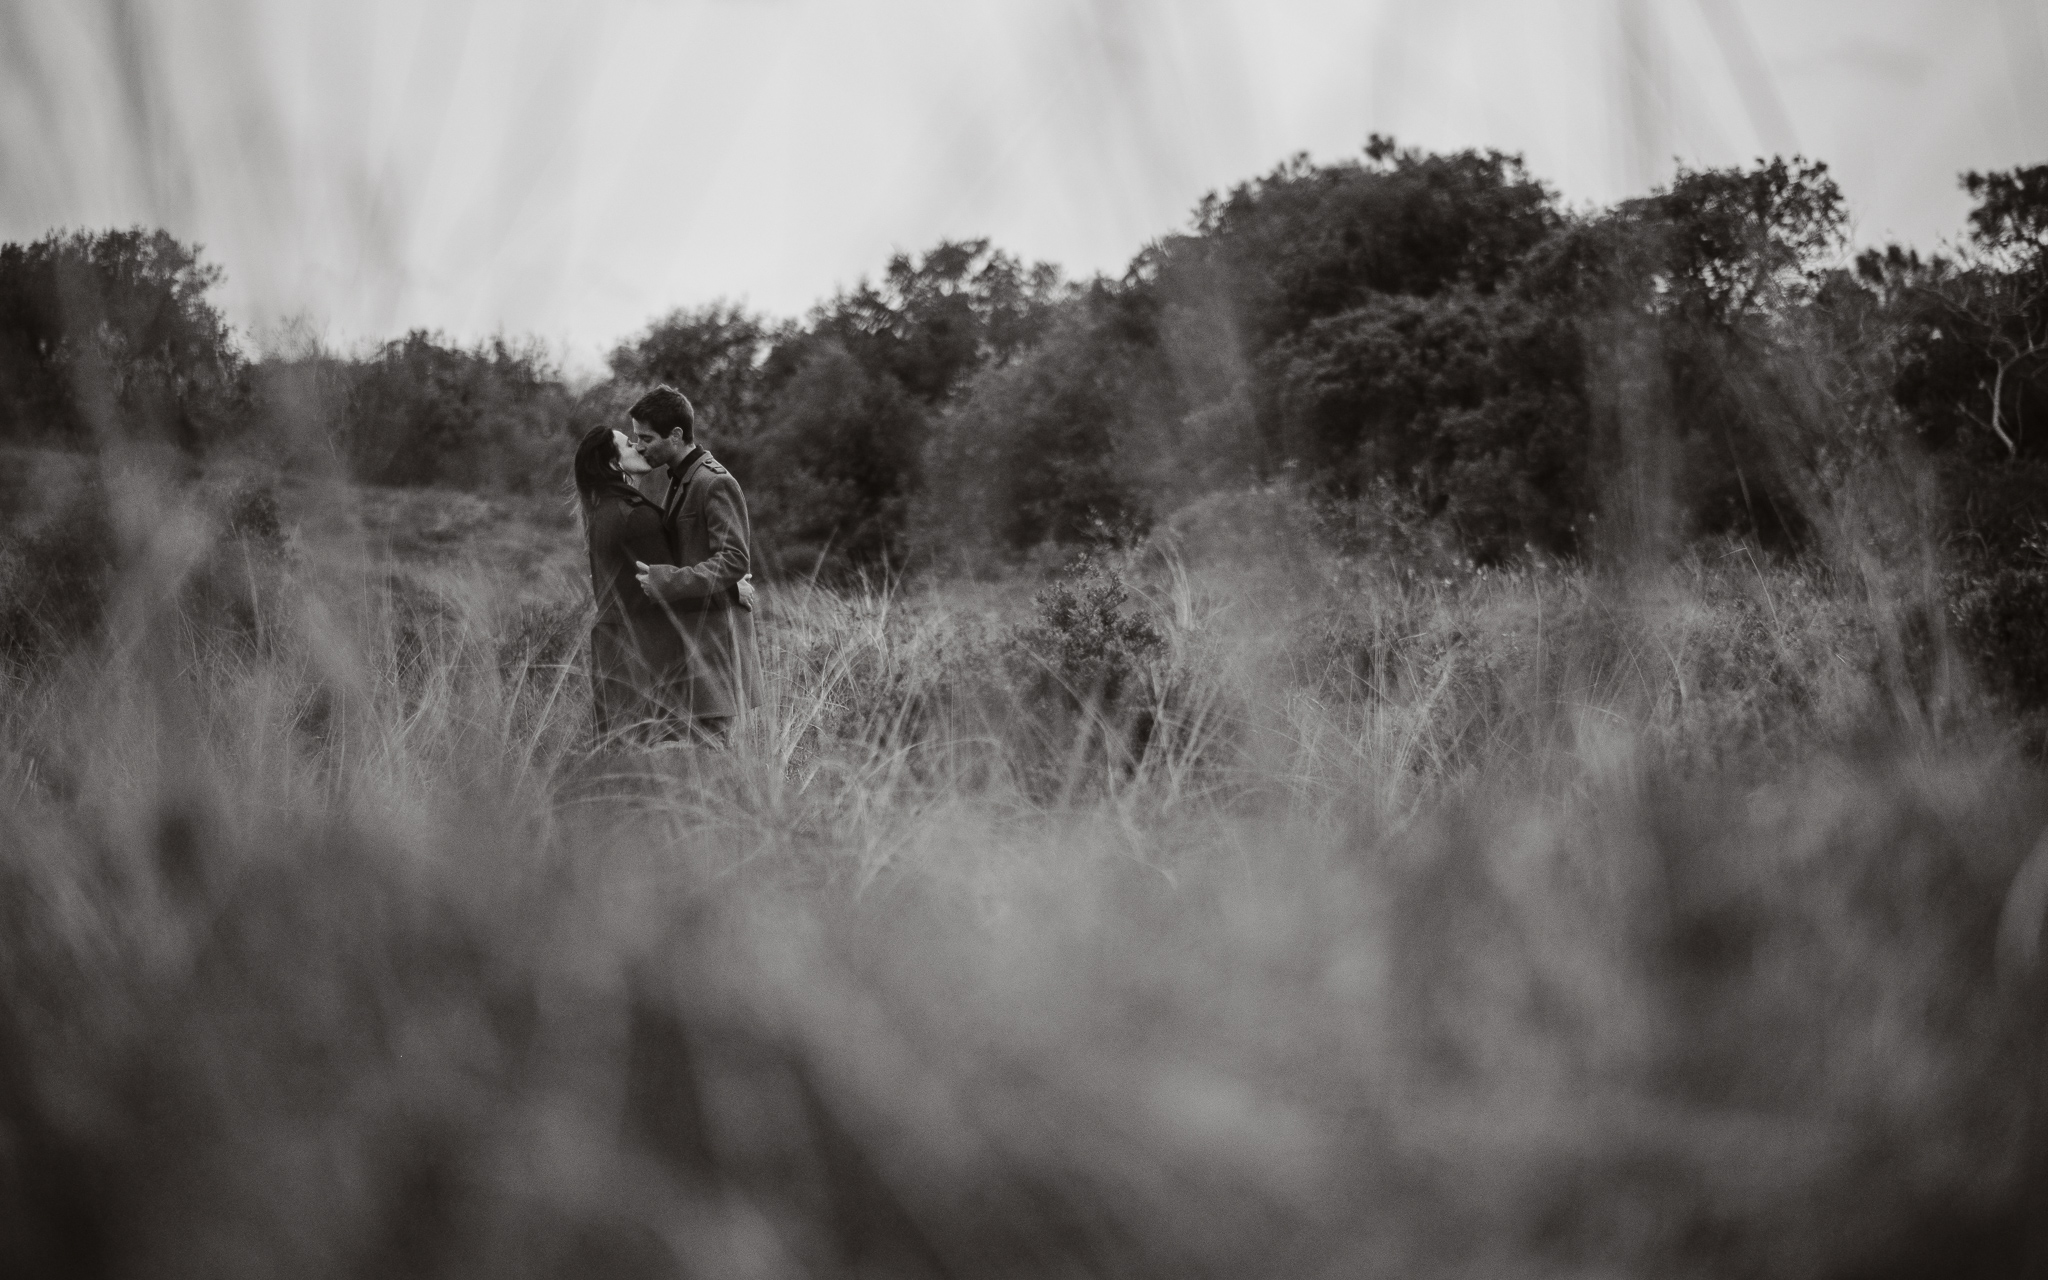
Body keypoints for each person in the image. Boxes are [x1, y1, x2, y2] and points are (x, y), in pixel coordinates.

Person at [625, 385, 761, 745]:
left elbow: (733, 559)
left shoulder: (713, 482)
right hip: (692, 638)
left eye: (646, 438)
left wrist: (666, 581)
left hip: (714, 640)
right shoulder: (681, 477)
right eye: (636, 438)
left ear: (676, 435)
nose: (639, 446)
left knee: (713, 754)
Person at [573, 423, 693, 742]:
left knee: (621, 756)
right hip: (644, 655)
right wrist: (733, 586)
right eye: (629, 445)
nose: (639, 447)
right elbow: (672, 584)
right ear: (614, 464)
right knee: (653, 759)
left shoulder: (602, 511)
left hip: (613, 652)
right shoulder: (635, 517)